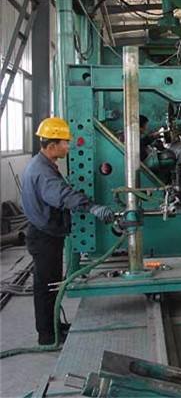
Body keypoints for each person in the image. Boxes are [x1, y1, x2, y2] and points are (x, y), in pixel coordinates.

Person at [21, 118, 115, 346]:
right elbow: (62, 196)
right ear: (52, 145)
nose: (68, 146)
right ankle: (47, 336)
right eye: (65, 142)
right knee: (46, 287)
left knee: (51, 284)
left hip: (45, 233)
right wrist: (92, 207)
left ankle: (54, 326)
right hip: (44, 237)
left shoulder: (43, 164)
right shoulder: (43, 172)